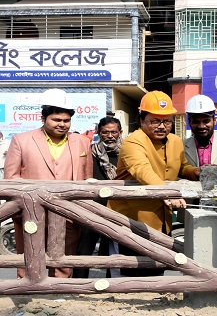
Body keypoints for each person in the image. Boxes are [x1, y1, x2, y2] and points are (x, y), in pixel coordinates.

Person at [107, 90, 200, 277]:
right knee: (130, 270)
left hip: (162, 218)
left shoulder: (175, 141)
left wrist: (196, 172)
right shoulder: (133, 142)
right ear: (141, 121)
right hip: (131, 218)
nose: (161, 126)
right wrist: (168, 192)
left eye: (166, 121)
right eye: (155, 121)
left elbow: (180, 167)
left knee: (158, 268)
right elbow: (141, 170)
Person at [4, 88, 93, 278]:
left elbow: (87, 178)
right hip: (30, 212)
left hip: (68, 213)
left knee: (63, 259)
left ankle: (58, 294)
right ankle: (27, 295)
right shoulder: (22, 140)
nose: (62, 124)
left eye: (66, 121)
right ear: (43, 118)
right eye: (56, 120)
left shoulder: (82, 143)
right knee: (28, 257)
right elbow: (11, 178)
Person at [74, 116, 123, 278]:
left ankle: (112, 284)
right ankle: (79, 284)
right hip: (92, 208)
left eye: (113, 132)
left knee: (114, 249)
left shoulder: (128, 153)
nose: (110, 136)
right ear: (98, 133)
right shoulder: (89, 153)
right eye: (105, 132)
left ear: (120, 133)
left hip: (119, 209)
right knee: (84, 249)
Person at [183, 94, 217, 168]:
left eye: (206, 121)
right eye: (196, 122)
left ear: (214, 120)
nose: (201, 126)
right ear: (189, 122)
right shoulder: (181, 147)